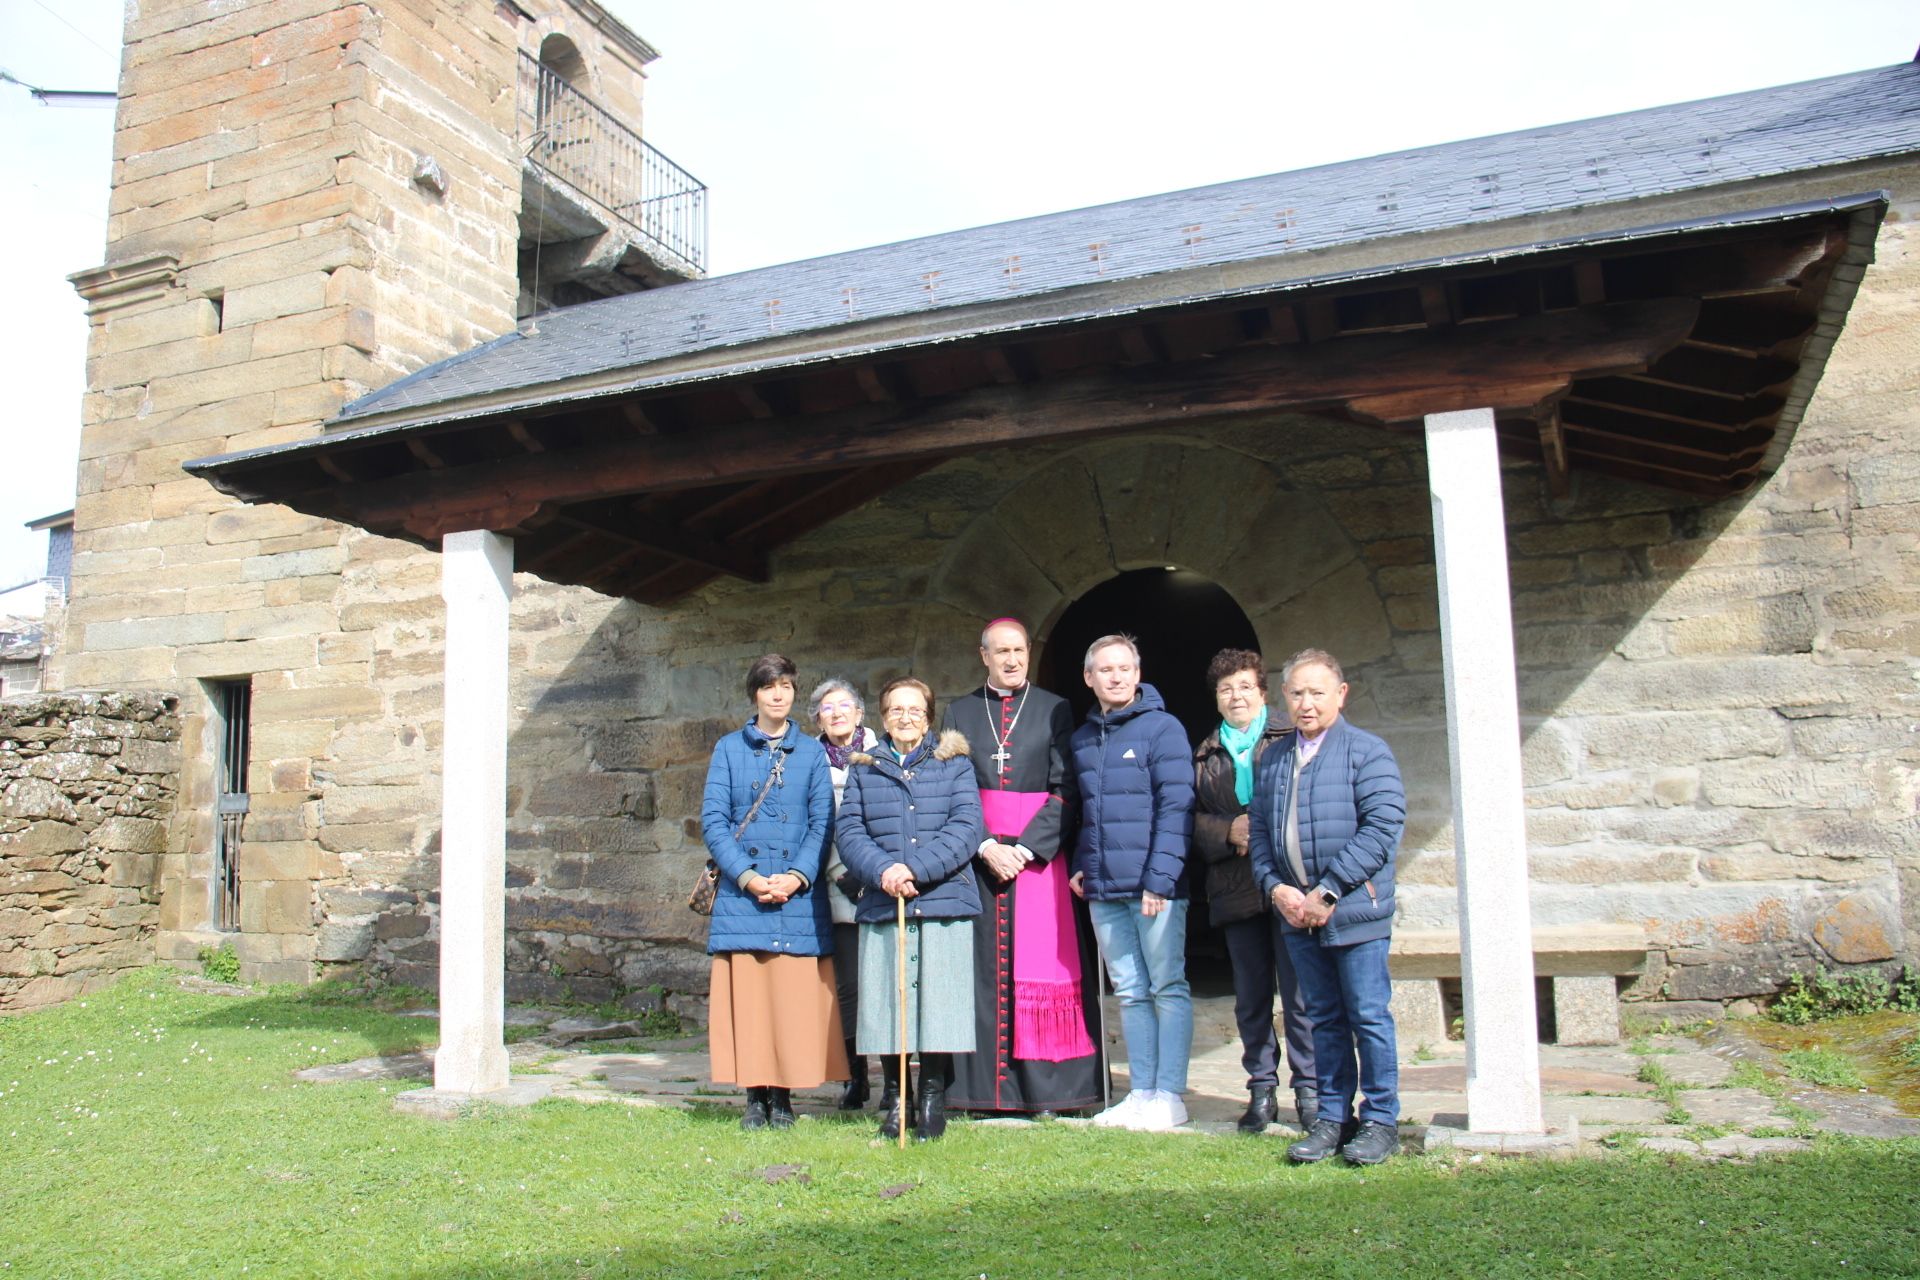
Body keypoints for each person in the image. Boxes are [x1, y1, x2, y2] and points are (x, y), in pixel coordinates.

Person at [940, 617, 1105, 1117]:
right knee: (982, 974)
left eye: (1019, 651)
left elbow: (1066, 787)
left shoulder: (1055, 709)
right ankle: (977, 1094)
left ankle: (1047, 1094)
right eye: (1002, 651)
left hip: (1037, 865)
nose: (1012, 660)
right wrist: (986, 844)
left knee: (1040, 970)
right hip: (979, 859)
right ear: (983, 655)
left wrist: (1028, 848)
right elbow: (953, 787)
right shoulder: (959, 711)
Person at [1248, 648, 1407, 1166]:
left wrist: (1329, 891)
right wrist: (1277, 889)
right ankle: (1333, 1121)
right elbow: (1261, 835)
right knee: (1323, 1021)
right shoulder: (1272, 758)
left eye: (1317, 692)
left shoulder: (1367, 752)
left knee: (1367, 1016)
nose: (1306, 703)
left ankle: (1382, 1122)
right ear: (1284, 699)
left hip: (1354, 913)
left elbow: (1383, 829)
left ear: (1341, 694)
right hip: (1298, 917)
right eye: (1297, 693)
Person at [701, 654, 847, 1131]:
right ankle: (754, 1096)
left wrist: (798, 876)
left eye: (786, 686)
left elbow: (822, 822)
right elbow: (715, 822)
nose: (778, 694)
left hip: (795, 896)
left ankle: (783, 1098)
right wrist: (747, 876)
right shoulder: (727, 749)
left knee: (788, 1001)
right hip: (746, 896)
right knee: (752, 999)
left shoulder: (809, 753)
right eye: (769, 687)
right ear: (755, 694)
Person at [836, 678, 986, 1141]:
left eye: (915, 710)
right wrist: (884, 872)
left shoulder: (954, 763)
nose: (905, 718)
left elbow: (966, 826)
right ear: (883, 718)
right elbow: (851, 831)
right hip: (883, 900)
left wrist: (915, 870)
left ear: (929, 716)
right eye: (896, 710)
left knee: (939, 1005)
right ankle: (898, 1100)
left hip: (942, 897)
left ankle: (932, 1098)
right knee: (886, 1004)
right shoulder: (865, 767)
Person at [1068, 634, 1196, 1132]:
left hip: (1154, 887)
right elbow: (1087, 812)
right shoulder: (1083, 739)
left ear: (1138, 674)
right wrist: (1082, 862)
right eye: (1105, 669)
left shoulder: (1163, 729)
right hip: (1104, 888)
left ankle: (1171, 1095)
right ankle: (1141, 1093)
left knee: (1167, 986)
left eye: (1124, 668)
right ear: (1089, 678)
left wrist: (1161, 879)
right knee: (1130, 991)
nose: (1116, 676)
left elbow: (1177, 805)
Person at [1192, 648, 1317, 1134]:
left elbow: (1308, 802)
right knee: (1251, 996)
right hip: (1235, 887)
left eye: (1244, 686)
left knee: (1301, 996)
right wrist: (1228, 831)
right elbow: (1191, 820)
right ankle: (1261, 1089)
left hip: (1290, 886)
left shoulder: (1292, 738)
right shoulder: (1204, 753)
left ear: (1263, 692)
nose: (1236, 696)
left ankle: (1308, 1090)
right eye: (1226, 690)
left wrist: (1259, 826)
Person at [812, 676, 881, 1112]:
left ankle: (897, 1079)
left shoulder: (881, 752)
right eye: (826, 707)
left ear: (860, 713)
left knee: (889, 981)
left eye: (844, 706)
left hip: (881, 881)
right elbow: (811, 821)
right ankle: (856, 1077)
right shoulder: (808, 759)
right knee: (849, 987)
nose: (837, 713)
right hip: (837, 885)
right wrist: (839, 871)